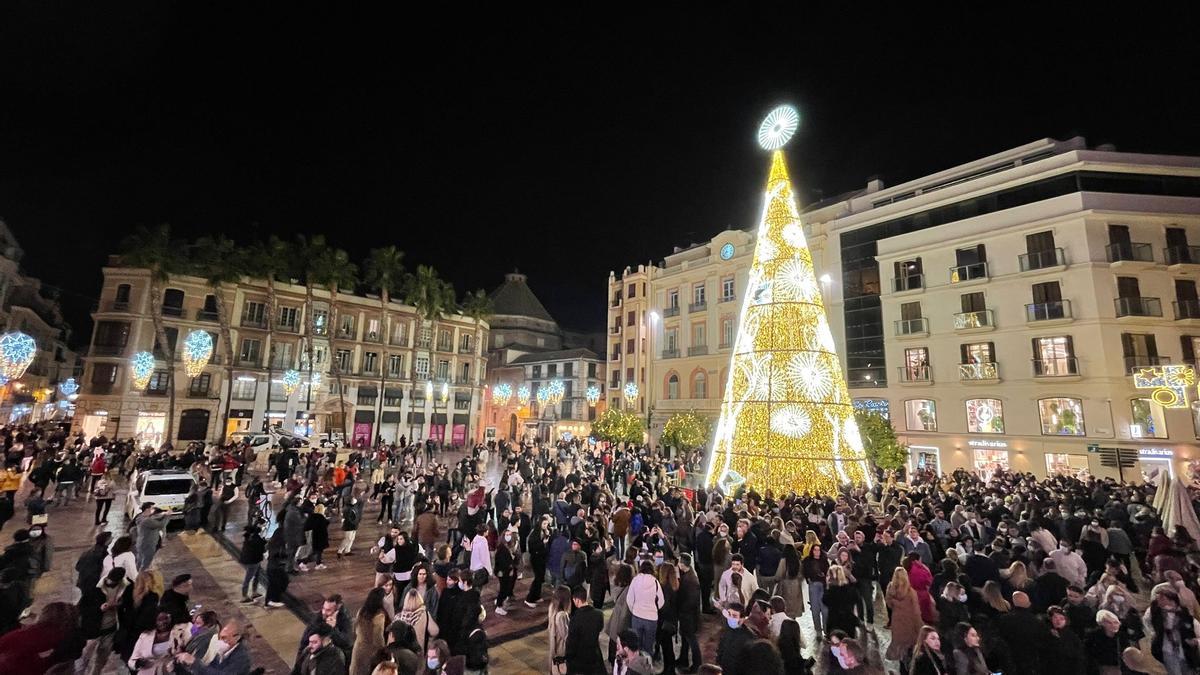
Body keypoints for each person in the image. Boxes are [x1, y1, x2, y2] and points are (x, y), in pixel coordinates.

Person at [78, 567, 129, 675]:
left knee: (102, 658)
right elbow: (81, 609)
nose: (111, 583)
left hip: (111, 628)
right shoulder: (94, 589)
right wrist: (100, 608)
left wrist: (120, 605)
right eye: (110, 581)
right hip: (92, 630)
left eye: (114, 582)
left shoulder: (125, 587)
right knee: (84, 659)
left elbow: (129, 604)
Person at [1143, 588, 1200, 674]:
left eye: (1163, 599)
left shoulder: (1183, 613)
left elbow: (1192, 627)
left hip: (1184, 649)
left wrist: (1194, 640)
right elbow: (1148, 623)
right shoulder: (1155, 613)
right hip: (1168, 650)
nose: (1160, 602)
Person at [294, 595, 354, 671]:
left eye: (328, 610)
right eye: (323, 608)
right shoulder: (319, 618)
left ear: (336, 612)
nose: (324, 612)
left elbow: (347, 643)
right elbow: (304, 641)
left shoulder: (345, 620)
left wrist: (332, 629)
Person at [173, 619, 253, 675]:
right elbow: (211, 668)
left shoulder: (242, 658)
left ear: (237, 638)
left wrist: (194, 662)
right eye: (220, 637)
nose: (220, 641)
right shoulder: (224, 650)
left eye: (224, 638)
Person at [127, 611, 190, 675]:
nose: (163, 622)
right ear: (154, 621)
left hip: (170, 671)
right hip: (147, 672)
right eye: (159, 620)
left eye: (166, 618)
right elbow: (131, 661)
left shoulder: (180, 632)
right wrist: (138, 663)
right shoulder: (145, 636)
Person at [624, 560, 664, 656]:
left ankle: (636, 667)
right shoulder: (655, 582)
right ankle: (647, 667)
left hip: (637, 616)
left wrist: (634, 610)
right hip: (651, 618)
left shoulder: (635, 580)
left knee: (636, 645)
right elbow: (661, 601)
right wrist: (654, 609)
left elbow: (629, 599)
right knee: (648, 646)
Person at [563, 584, 604, 674]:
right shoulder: (599, 614)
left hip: (580, 658)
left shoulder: (575, 619)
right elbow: (600, 629)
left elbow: (572, 642)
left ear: (577, 600)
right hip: (594, 655)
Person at [884, 566, 921, 665]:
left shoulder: (890, 588)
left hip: (897, 618)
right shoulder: (911, 592)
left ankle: (901, 663)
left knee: (898, 640)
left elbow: (888, 603)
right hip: (909, 619)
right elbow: (916, 611)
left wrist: (896, 604)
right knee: (909, 644)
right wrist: (920, 626)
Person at [350, 587, 388, 675]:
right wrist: (382, 649)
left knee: (356, 670)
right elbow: (378, 636)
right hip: (371, 650)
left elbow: (355, 628)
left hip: (358, 647)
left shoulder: (362, 611)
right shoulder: (379, 615)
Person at [676, 554, 703, 674]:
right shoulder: (688, 575)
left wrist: (681, 609)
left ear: (682, 564)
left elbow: (691, 601)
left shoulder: (691, 580)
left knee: (691, 640)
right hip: (686, 615)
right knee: (685, 638)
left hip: (689, 616)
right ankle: (683, 659)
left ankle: (697, 664)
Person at [823, 564, 861, 640]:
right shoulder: (851, 590)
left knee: (836, 649)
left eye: (828, 575)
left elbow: (825, 601)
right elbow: (857, 600)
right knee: (849, 647)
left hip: (834, 624)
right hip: (849, 623)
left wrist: (827, 587)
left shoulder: (830, 592)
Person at [398, 587, 440, 656]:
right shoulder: (424, 614)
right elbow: (435, 631)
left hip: (402, 654)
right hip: (418, 652)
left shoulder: (399, 617)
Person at [1044, 605, 1086, 673]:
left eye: (1061, 618)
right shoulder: (1047, 634)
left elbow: (1077, 657)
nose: (1058, 621)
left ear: (1066, 620)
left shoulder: (1072, 636)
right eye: (1055, 618)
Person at [656, 560, 681, 674]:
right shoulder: (675, 585)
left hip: (664, 621)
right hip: (672, 621)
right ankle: (669, 669)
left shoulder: (665, 588)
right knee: (668, 647)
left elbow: (664, 606)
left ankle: (669, 670)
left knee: (666, 647)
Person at [716, 602, 754, 675]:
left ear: (742, 619)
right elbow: (721, 648)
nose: (730, 618)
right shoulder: (728, 629)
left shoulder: (749, 637)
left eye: (734, 616)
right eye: (729, 614)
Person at [76, 531, 113, 599]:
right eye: (110, 537)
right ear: (106, 541)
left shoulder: (88, 551)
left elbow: (77, 567)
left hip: (83, 582)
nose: (112, 538)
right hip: (93, 584)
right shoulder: (103, 554)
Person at [802, 543, 829, 635]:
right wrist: (808, 579)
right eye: (815, 550)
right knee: (815, 608)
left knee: (825, 609)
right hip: (813, 585)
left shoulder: (824, 560)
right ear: (812, 551)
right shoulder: (807, 560)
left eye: (818, 550)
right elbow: (805, 571)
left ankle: (826, 629)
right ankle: (818, 630)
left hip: (823, 585)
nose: (817, 552)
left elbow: (827, 572)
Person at [133, 504, 170, 570]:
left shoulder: (141, 517)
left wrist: (163, 514)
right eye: (152, 508)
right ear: (147, 509)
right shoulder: (147, 520)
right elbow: (161, 524)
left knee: (140, 559)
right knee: (146, 561)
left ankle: (138, 572)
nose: (153, 510)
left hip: (144, 542)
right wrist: (167, 516)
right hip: (148, 543)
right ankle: (141, 574)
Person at [493, 526, 519, 615]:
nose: (508, 536)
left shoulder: (508, 546)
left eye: (509, 535)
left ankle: (499, 601)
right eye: (506, 535)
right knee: (503, 589)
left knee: (504, 588)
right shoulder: (501, 548)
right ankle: (499, 606)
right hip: (503, 572)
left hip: (507, 571)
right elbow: (500, 561)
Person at [240, 520, 267, 602]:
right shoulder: (256, 539)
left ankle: (254, 592)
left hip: (252, 559)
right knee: (248, 578)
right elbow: (262, 549)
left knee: (257, 575)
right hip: (253, 561)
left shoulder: (248, 537)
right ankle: (244, 596)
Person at [549, 585, 572, 674]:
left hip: (554, 646)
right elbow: (565, 635)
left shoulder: (552, 607)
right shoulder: (562, 615)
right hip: (561, 648)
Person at [337, 492, 363, 559]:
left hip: (354, 525)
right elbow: (348, 519)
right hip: (349, 526)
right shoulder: (347, 509)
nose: (355, 500)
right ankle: (340, 551)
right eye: (353, 499)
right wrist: (354, 523)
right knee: (347, 538)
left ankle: (347, 550)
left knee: (352, 538)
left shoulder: (354, 506)